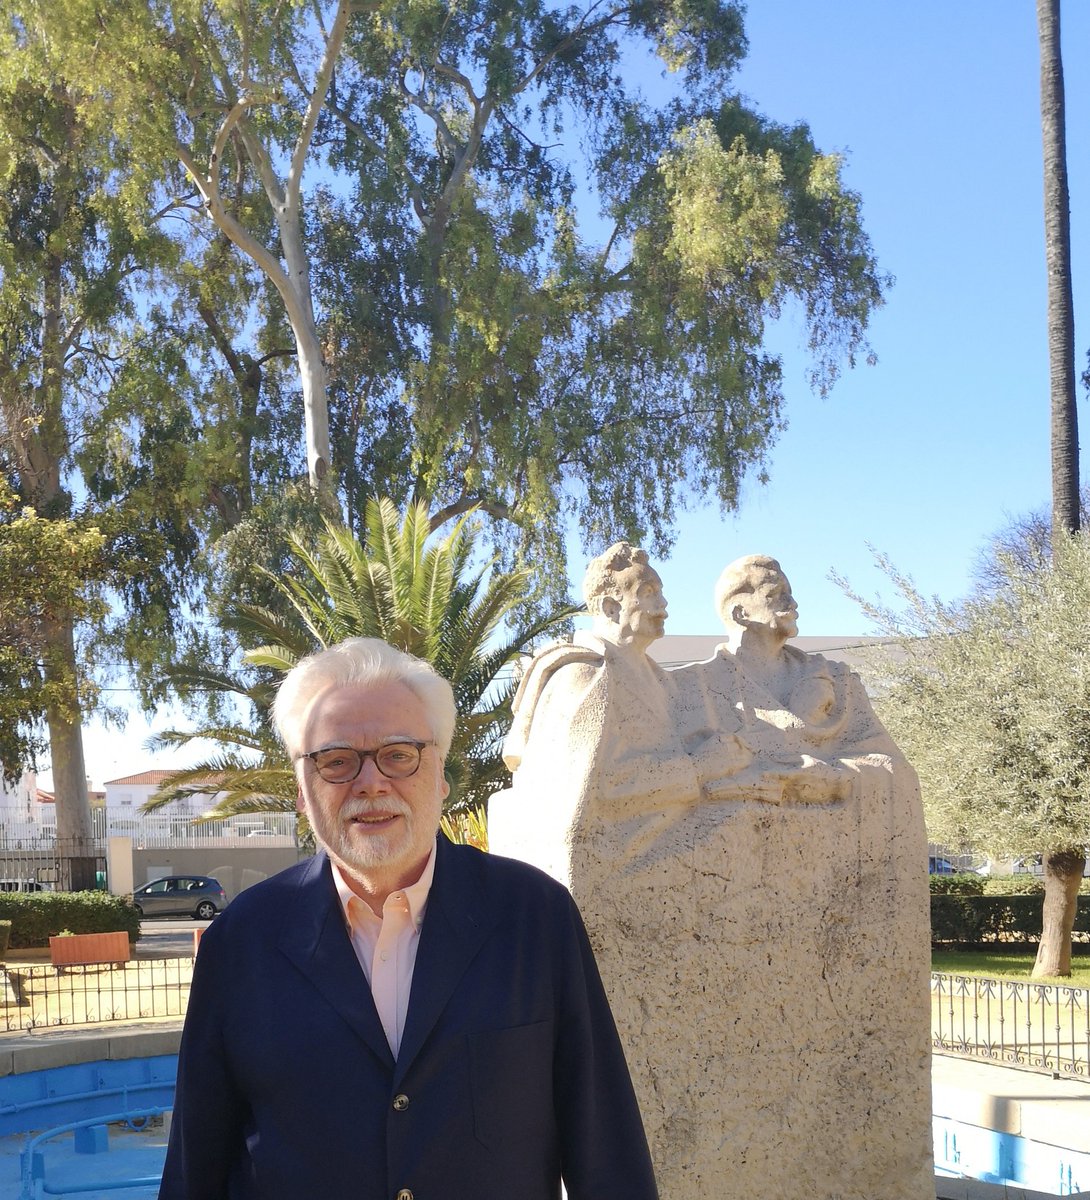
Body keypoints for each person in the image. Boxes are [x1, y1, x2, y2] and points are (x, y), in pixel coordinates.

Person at [158, 637, 658, 1200]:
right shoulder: (241, 942)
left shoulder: (535, 918)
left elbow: (604, 1142)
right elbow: (195, 1162)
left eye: (399, 754)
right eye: (337, 760)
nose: (371, 782)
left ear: (441, 774)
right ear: (303, 789)